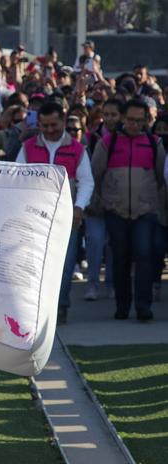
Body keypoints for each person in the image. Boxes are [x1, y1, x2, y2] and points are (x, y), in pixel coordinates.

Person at [16, 102, 94, 324]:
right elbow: (18, 177)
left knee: (66, 265)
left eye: (54, 125)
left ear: (64, 121)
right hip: (35, 217)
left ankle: (60, 307)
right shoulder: (28, 147)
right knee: (35, 265)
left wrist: (79, 208)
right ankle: (37, 309)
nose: (49, 130)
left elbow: (86, 182)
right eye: (45, 125)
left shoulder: (78, 149)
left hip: (66, 219)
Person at [91, 98, 166, 321]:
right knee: (120, 257)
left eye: (139, 121)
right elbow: (96, 173)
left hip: (145, 211)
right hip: (116, 210)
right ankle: (122, 306)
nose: (134, 125)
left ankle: (144, 306)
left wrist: (150, 201)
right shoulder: (108, 143)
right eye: (130, 120)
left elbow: (160, 177)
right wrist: (103, 202)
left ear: (146, 121)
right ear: (123, 118)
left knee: (144, 254)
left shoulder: (154, 143)